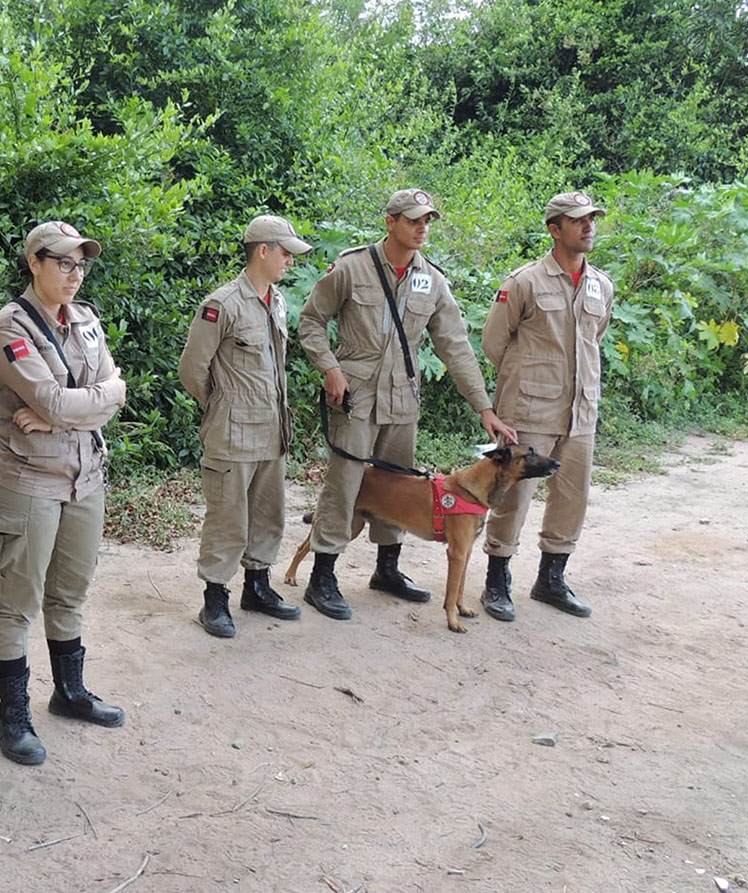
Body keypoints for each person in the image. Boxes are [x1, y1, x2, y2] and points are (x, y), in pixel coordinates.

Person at [298, 188, 516, 621]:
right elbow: (310, 321)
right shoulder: (351, 267)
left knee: (398, 485)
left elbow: (456, 347)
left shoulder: (432, 280)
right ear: (390, 222)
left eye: (428, 221)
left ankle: (387, 569)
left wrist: (484, 407)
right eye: (414, 220)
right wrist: (329, 368)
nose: (422, 228)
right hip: (355, 397)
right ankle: (322, 576)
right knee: (346, 485)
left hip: (402, 401)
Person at [0, 221, 127, 767]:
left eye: (81, 264)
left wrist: (67, 409)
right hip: (27, 481)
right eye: (62, 262)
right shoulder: (9, 329)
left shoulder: (85, 320)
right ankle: (11, 717)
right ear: (34, 262)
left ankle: (69, 693)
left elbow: (114, 392)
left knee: (70, 592)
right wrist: (75, 406)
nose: (74, 273)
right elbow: (60, 402)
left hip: (85, 475)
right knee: (16, 602)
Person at [479, 191, 614, 622]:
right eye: (578, 220)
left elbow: (595, 340)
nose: (588, 226)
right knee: (514, 494)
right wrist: (529, 379)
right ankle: (497, 580)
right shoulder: (524, 282)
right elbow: (494, 342)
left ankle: (551, 578)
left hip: (580, 410)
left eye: (592, 218)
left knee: (572, 496)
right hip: (529, 410)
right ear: (554, 229)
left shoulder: (601, 284)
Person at [178, 215, 312, 638]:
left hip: (273, 429)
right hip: (232, 433)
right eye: (286, 252)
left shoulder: (277, 302)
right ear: (263, 250)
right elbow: (191, 369)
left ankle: (257, 586)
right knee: (228, 517)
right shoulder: (223, 304)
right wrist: (221, 405)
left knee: (268, 513)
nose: (291, 261)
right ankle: (214, 598)